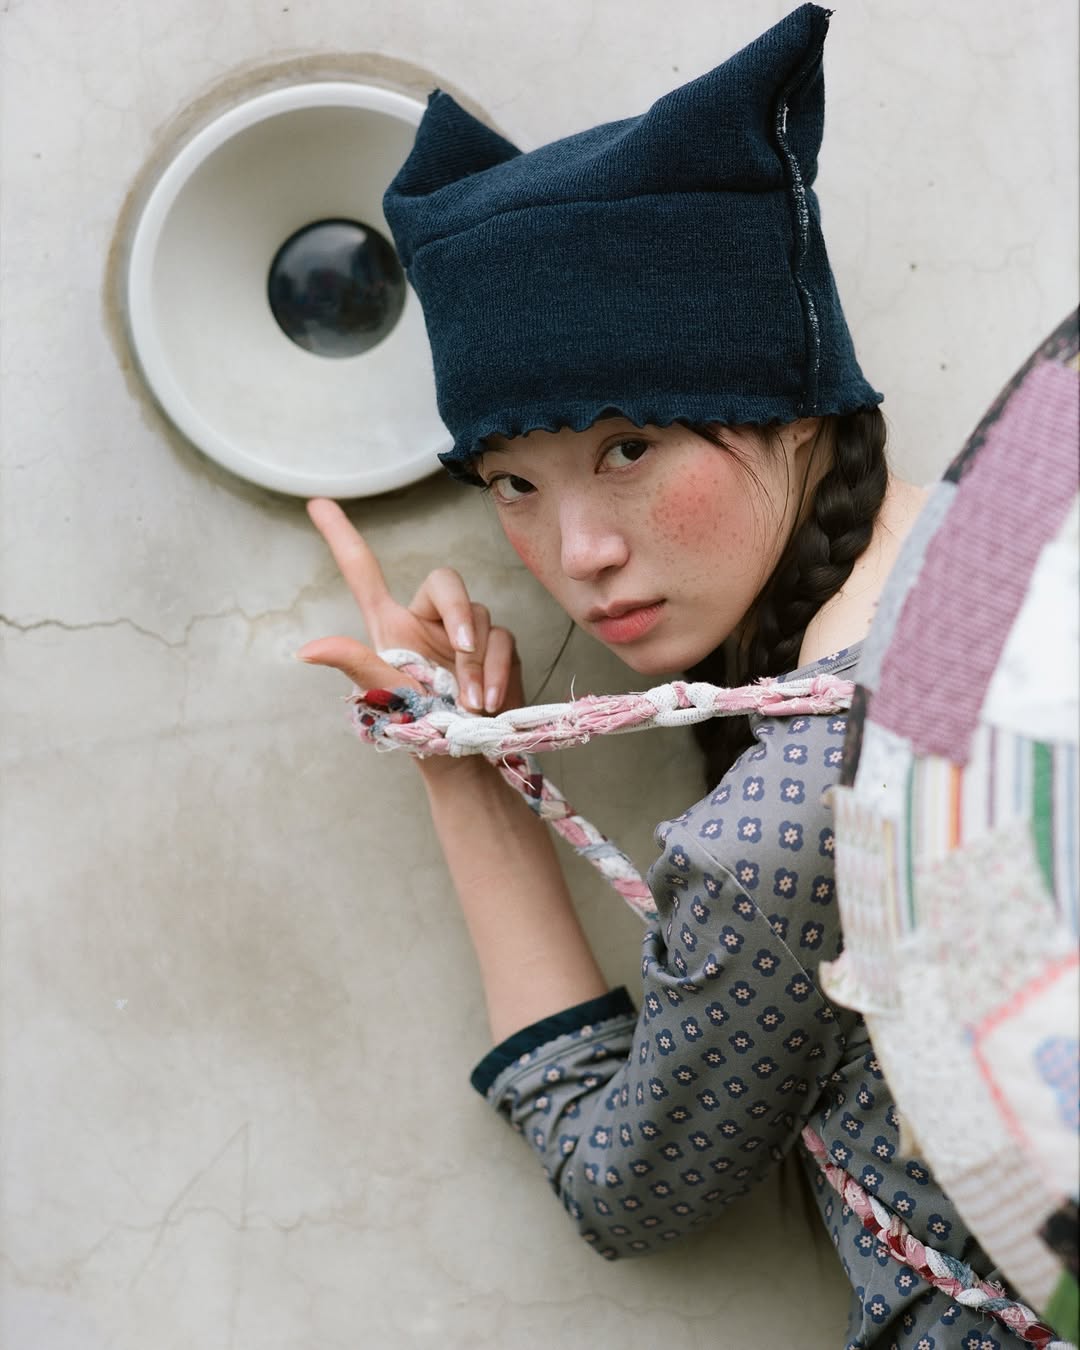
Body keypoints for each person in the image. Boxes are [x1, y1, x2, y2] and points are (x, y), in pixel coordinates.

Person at [296, 8, 1024, 1347]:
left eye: (628, 448)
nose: (577, 553)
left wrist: (461, 774)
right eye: (512, 482)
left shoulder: (801, 817)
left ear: (792, 403)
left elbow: (626, 1185)